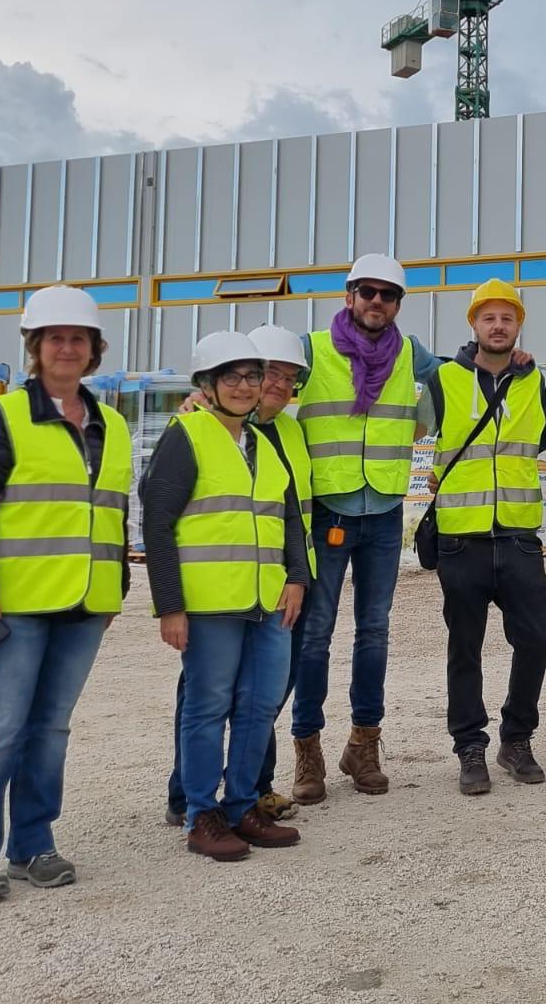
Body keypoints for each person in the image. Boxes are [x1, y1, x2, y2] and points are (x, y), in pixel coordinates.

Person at [0, 285, 131, 904]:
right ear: (36, 348)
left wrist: (113, 591)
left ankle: (32, 845)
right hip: (14, 606)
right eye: (56, 338)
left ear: (94, 350)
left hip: (83, 607)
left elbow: (112, 514)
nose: (67, 348)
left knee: (50, 729)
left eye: (79, 339)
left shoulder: (112, 425)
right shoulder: (3, 417)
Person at [142, 331, 309, 861]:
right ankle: (200, 814)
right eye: (230, 376)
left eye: (252, 376)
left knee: (259, 706)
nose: (244, 386)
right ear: (206, 385)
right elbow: (158, 524)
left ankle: (242, 806)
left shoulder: (263, 442)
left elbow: (289, 519)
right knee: (208, 707)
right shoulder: (186, 435)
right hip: (211, 604)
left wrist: (297, 578)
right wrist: (169, 604)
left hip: (268, 602)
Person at [289, 253, 441, 803]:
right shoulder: (311, 348)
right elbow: (266, 384)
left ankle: (364, 742)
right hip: (328, 506)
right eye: (367, 291)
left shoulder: (412, 354)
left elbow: (455, 381)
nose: (377, 302)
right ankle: (307, 749)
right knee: (315, 634)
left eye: (388, 294)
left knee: (374, 631)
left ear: (399, 304)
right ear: (348, 295)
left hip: (381, 509)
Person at [416, 279, 546, 796]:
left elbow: (545, 438)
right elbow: (408, 434)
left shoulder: (534, 383)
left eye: (507, 318)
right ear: (473, 325)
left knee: (536, 640)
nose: (498, 326)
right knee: (465, 648)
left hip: (518, 537)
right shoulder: (443, 381)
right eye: (489, 318)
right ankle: (469, 748)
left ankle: (516, 739)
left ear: (519, 326)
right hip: (461, 540)